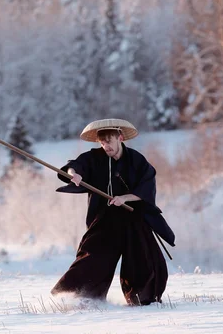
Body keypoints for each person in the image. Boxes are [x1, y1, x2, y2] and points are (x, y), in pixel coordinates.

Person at [51, 118, 175, 306]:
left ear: (120, 138)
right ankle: (76, 296)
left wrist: (124, 198)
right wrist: (73, 174)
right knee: (93, 256)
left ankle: (142, 298)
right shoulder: (94, 157)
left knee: (144, 258)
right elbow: (75, 165)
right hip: (104, 217)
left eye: (109, 141)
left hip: (134, 216)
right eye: (102, 143)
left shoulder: (136, 160)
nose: (106, 146)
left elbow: (147, 187)